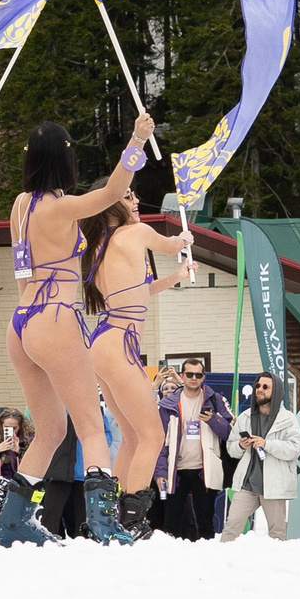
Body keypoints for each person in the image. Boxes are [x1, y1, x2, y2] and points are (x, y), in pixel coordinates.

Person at [2, 114, 155, 545]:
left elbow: (20, 264)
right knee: (90, 425)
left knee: (50, 429)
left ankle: (12, 519)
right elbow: (110, 193)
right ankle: (105, 520)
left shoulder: (20, 204)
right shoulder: (61, 206)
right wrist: (136, 142)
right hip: (55, 314)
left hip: (22, 318)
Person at [79, 184, 194, 541]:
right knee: (152, 434)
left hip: (105, 340)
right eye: (128, 196)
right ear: (112, 204)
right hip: (120, 343)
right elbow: (172, 243)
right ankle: (132, 517)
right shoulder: (136, 232)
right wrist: (183, 239)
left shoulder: (98, 247)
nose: (136, 200)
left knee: (131, 435)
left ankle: (113, 514)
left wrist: (174, 277)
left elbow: (137, 294)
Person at [153, 355, 233, 541]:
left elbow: (230, 432)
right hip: (177, 470)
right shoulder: (168, 404)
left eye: (198, 375)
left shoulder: (214, 400)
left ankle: (207, 561)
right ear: (182, 375)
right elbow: (160, 441)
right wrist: (160, 473)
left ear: (203, 377)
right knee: (171, 524)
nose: (194, 378)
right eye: (190, 374)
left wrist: (213, 419)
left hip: (203, 471)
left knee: (205, 523)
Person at [221, 372, 300, 541]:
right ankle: (223, 562)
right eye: (258, 386)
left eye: (265, 387)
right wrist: (240, 446)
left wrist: (267, 444)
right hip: (248, 484)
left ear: (277, 391)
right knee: (231, 527)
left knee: (277, 533)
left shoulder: (288, 419)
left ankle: (278, 566)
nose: (260, 389)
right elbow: (231, 448)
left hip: (274, 485)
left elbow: (295, 448)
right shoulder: (245, 416)